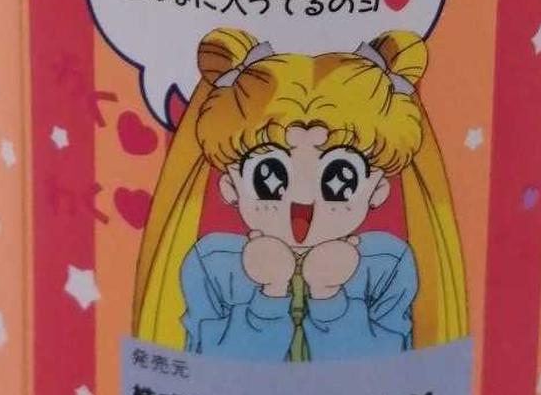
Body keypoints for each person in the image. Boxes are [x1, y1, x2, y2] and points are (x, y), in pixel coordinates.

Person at [133, 28, 468, 361]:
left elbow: (389, 365)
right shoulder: (213, 263)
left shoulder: (386, 264)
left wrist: (329, 299)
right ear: (230, 187)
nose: (303, 202)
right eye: (269, 177)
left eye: (339, 179)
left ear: (378, 189)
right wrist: (269, 296)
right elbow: (203, 361)